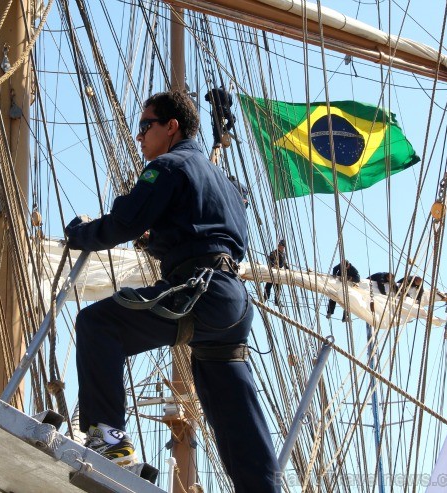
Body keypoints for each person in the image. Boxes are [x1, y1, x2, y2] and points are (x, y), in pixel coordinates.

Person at [65, 91, 280, 492]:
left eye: (146, 126)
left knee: (98, 325)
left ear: (171, 126)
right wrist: (161, 239)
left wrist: (79, 234)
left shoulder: (167, 166)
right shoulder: (230, 185)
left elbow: (122, 223)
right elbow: (206, 231)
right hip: (232, 302)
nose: (140, 136)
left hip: (195, 291)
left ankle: (110, 443)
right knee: (232, 407)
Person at [264, 239, 288, 306]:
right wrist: (274, 264)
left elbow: (284, 263)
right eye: (279, 244)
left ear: (283, 247)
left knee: (278, 288)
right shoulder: (274, 252)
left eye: (281, 245)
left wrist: (288, 269)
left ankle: (277, 301)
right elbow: (270, 260)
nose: (279, 245)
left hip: (279, 273)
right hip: (273, 271)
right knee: (268, 286)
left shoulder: (283, 255)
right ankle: (265, 298)